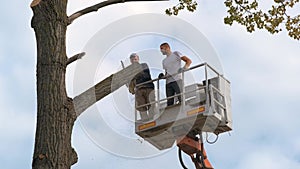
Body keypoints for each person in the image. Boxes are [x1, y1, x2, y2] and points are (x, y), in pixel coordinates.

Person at [128, 53, 155, 121]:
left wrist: (133, 77)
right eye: (132, 59)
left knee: (151, 103)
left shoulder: (143, 65)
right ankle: (145, 119)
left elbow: (145, 75)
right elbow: (130, 82)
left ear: (138, 59)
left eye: (135, 58)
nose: (134, 60)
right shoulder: (130, 71)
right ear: (130, 61)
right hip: (139, 89)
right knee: (141, 105)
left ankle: (152, 118)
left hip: (148, 87)